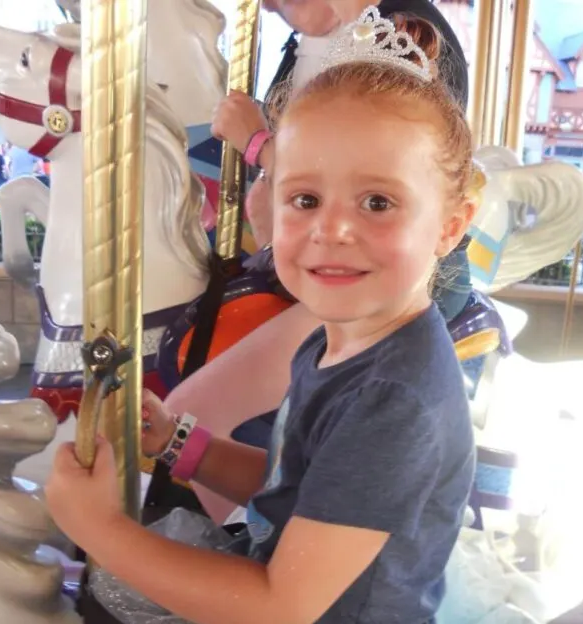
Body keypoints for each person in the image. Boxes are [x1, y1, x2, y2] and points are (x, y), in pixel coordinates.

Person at [38, 11, 539, 624]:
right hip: (307, 616)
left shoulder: (393, 399)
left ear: (451, 224)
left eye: (377, 202)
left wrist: (102, 532)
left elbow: (276, 607)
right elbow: (294, 485)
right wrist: (184, 445)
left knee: (107, 623)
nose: (332, 229)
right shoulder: (338, 336)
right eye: (305, 199)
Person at [175, 0, 475, 522]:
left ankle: (244, 539)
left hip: (388, 282)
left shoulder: (405, 31)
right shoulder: (300, 49)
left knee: (199, 405)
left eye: (376, 204)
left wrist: (258, 144)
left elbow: (388, 167)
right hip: (298, 259)